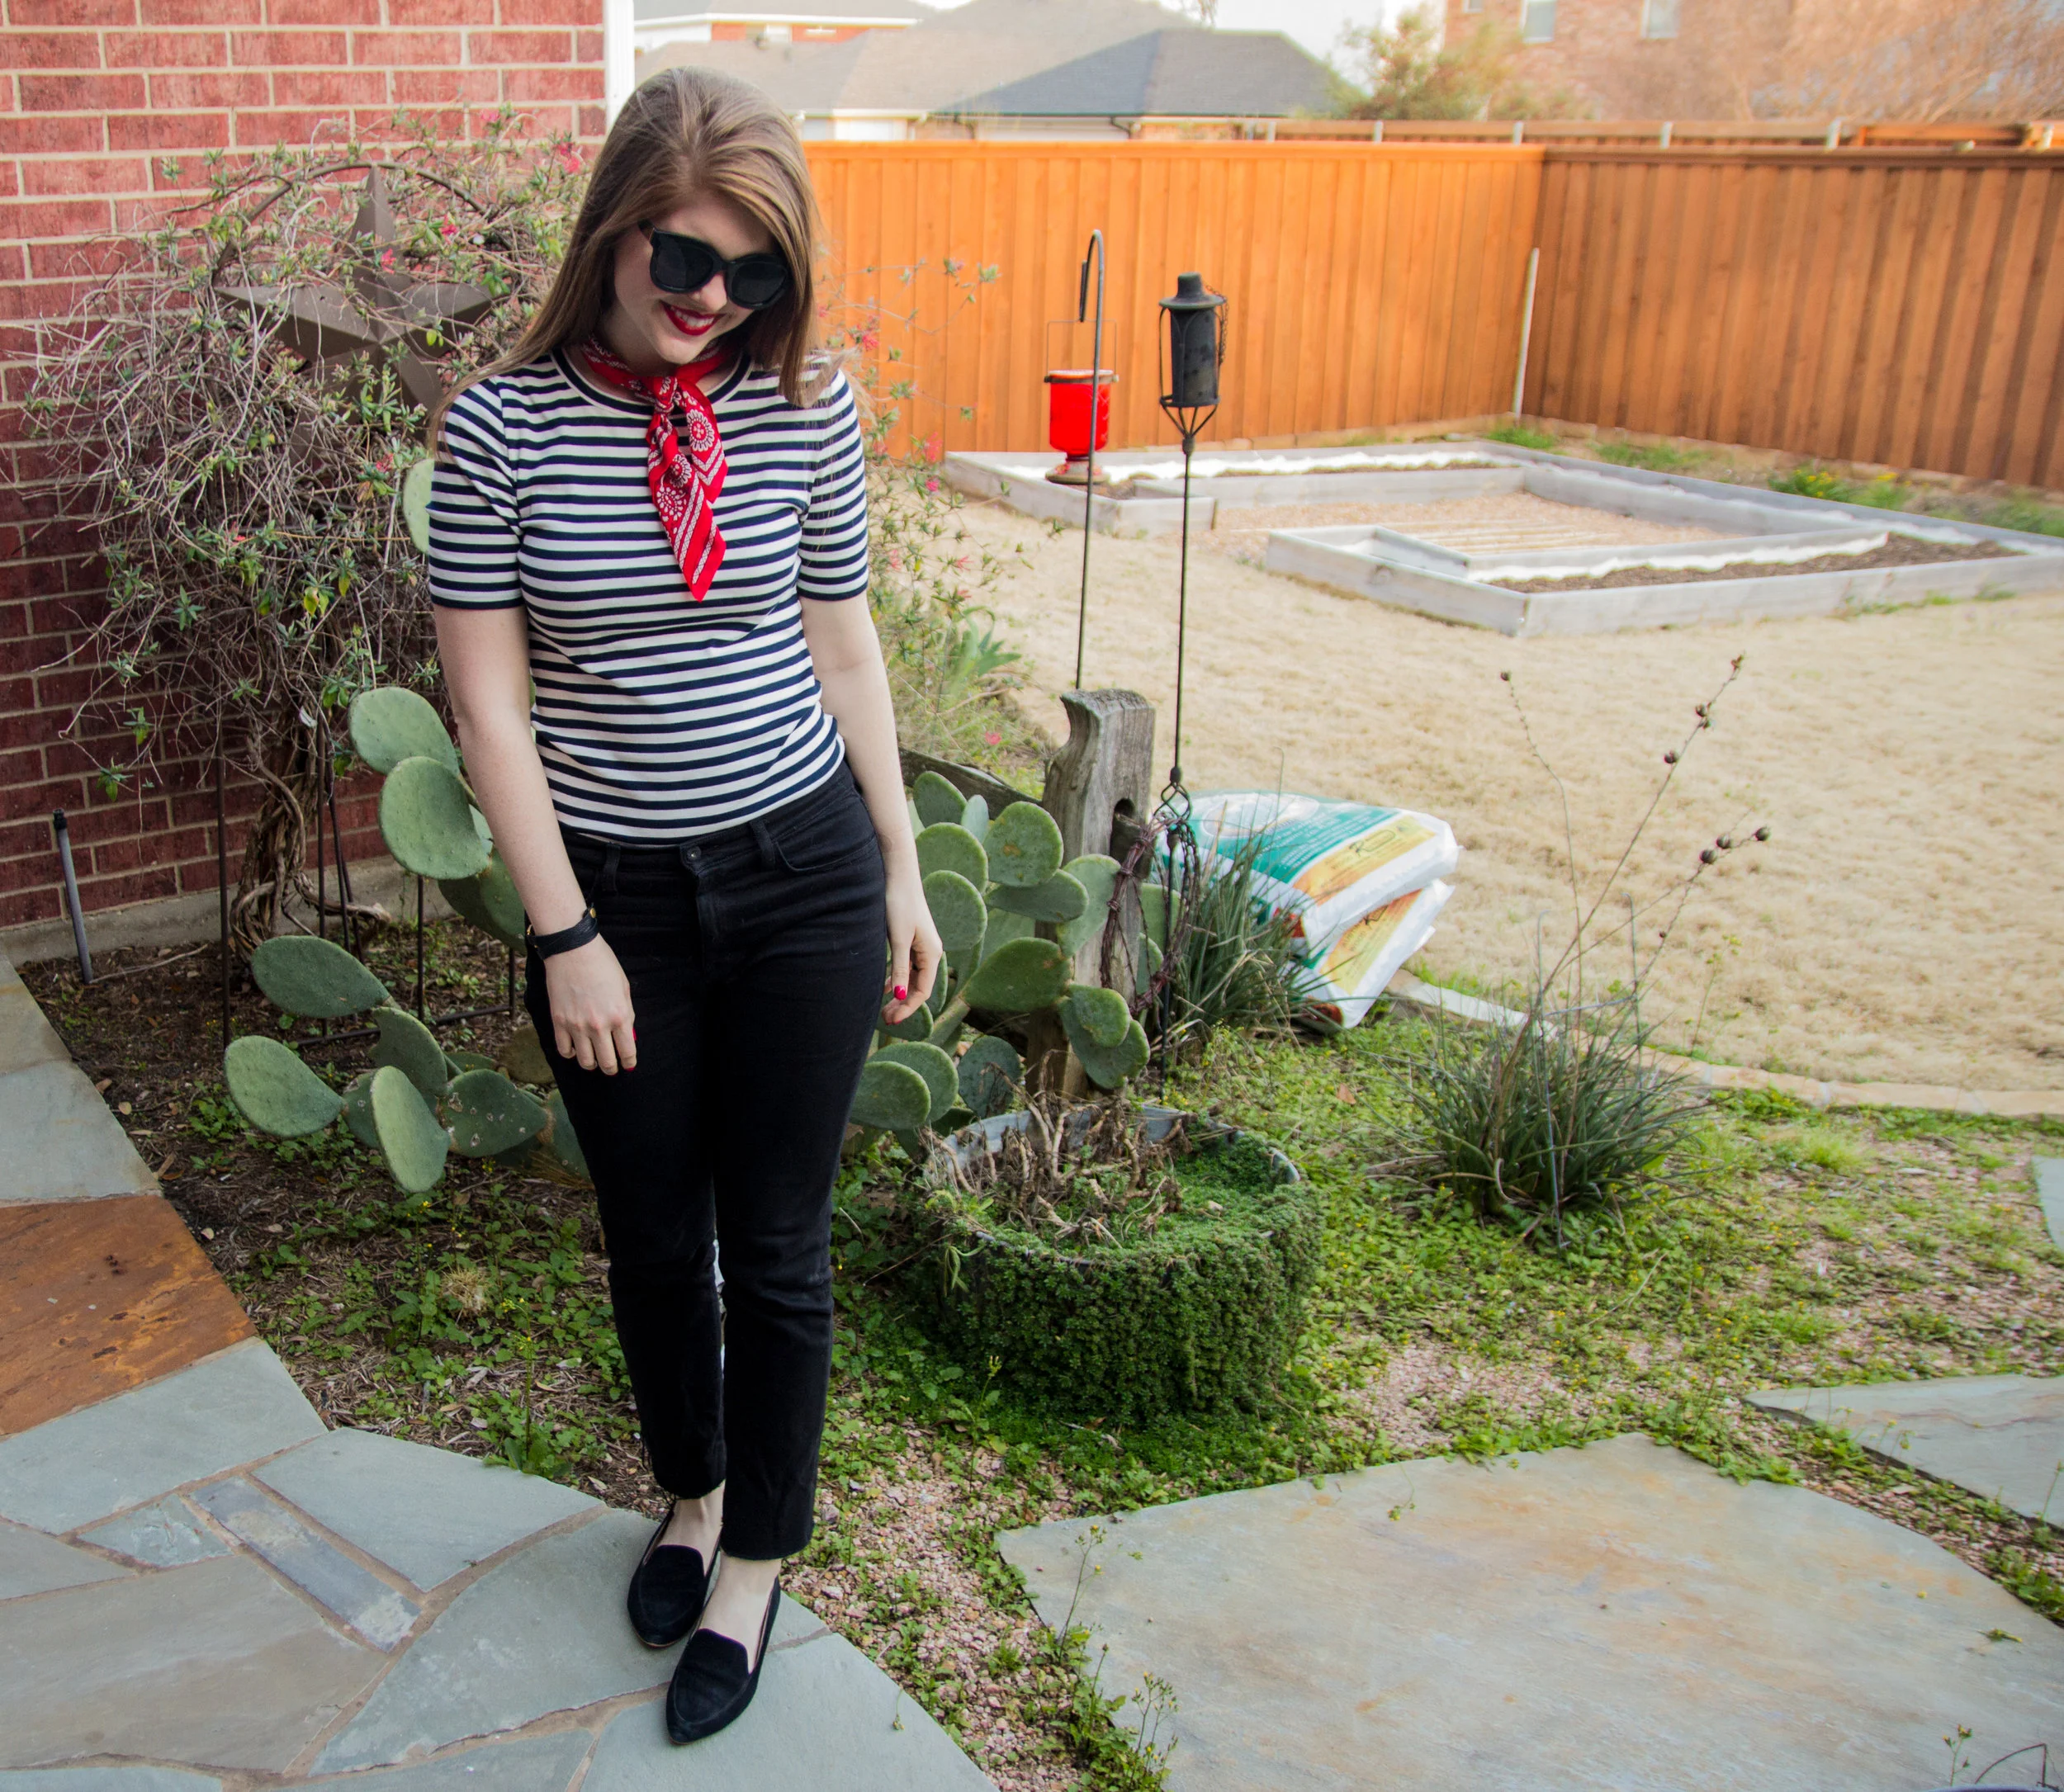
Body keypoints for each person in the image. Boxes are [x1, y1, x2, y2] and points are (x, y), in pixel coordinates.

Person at [424, 65, 940, 1744]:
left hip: (800, 871)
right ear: (611, 235)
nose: (713, 300)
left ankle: (754, 1557)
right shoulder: (497, 428)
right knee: (654, 1231)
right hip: (619, 899)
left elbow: (843, 639)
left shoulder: (808, 404)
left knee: (776, 1245)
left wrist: (899, 856)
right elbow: (490, 711)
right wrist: (565, 930)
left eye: (753, 274)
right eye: (682, 260)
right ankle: (693, 1487)